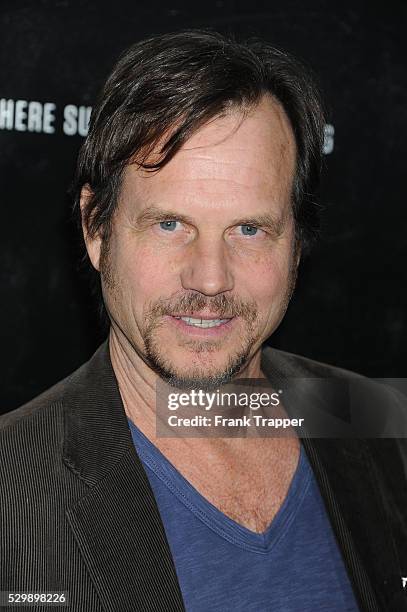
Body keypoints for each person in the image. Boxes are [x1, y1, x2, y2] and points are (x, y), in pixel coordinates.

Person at [1, 29, 406, 612]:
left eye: (249, 229)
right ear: (97, 228)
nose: (210, 279)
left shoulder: (379, 422)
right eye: (171, 225)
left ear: (297, 245)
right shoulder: (10, 491)